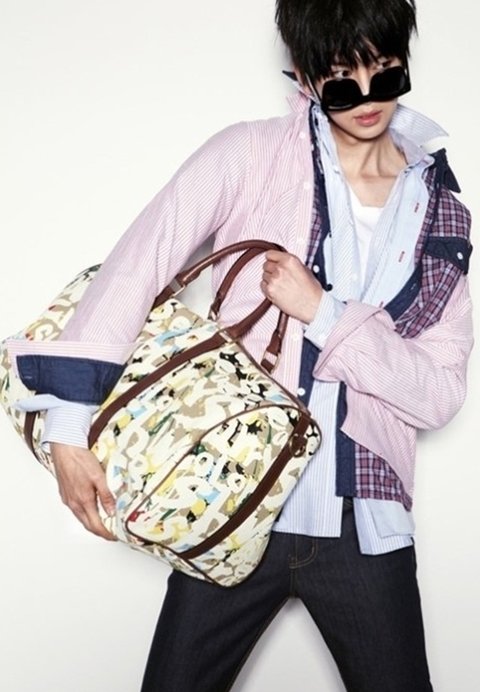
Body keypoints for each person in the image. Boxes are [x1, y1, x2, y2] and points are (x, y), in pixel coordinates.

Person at [9, 1, 473, 690]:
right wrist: (69, 431)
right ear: (304, 77)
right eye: (341, 80)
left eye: (385, 71)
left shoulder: (442, 214)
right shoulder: (249, 155)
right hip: (228, 501)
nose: (367, 97)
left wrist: (324, 313)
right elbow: (138, 265)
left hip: (366, 521)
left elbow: (437, 395)